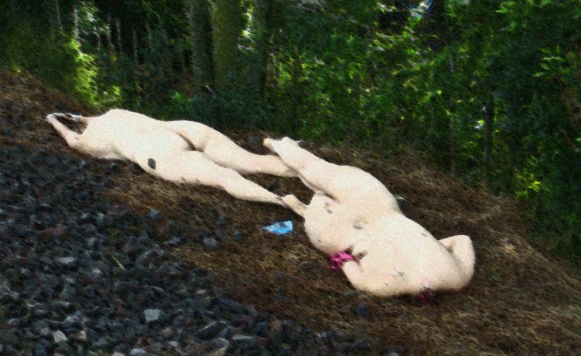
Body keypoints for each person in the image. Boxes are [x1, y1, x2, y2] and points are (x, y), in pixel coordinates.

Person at [264, 137, 476, 297]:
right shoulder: (385, 285)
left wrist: (428, 245)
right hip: (363, 219)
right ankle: (281, 151)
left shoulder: (455, 277)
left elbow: (462, 240)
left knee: (311, 169)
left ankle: (279, 146)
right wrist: (348, 258)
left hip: (375, 208)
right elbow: (348, 267)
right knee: (311, 172)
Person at [46, 110, 296, 205]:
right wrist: (73, 117)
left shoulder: (89, 140)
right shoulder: (114, 113)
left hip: (154, 149)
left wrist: (53, 121)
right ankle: (305, 172)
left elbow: (70, 138)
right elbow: (82, 118)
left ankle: (286, 203)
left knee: (224, 177)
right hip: (179, 127)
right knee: (253, 161)